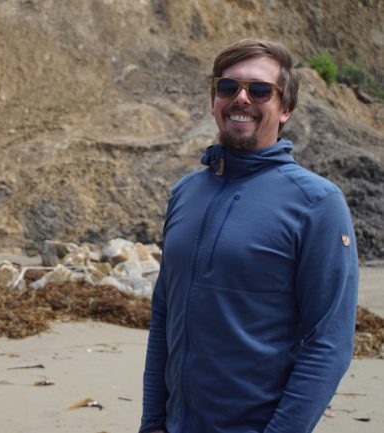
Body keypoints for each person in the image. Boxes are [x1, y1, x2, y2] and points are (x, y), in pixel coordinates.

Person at [139, 39, 359, 433]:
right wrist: (153, 421)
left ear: (285, 108)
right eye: (228, 87)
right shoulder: (185, 192)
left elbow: (329, 343)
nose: (241, 98)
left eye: (260, 90)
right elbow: (163, 314)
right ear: (214, 100)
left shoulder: (317, 203)